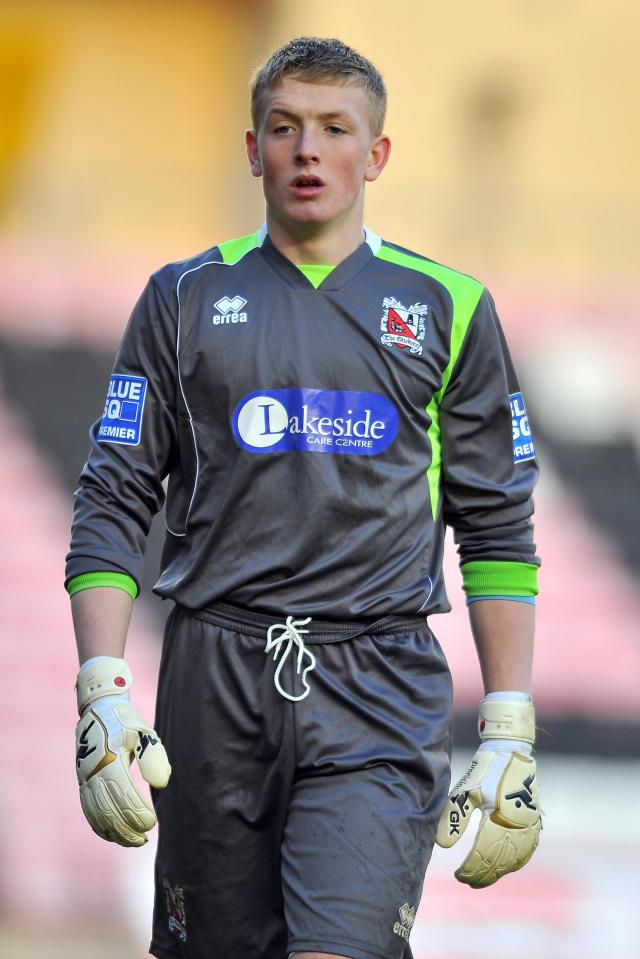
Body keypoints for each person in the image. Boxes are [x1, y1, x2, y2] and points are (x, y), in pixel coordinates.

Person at [67, 36, 541, 959]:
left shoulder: (450, 307)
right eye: (284, 128)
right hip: (215, 676)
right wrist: (102, 692)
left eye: (334, 129)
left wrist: (510, 725)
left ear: (378, 153)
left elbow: (496, 526)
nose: (308, 150)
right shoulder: (181, 299)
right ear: (252, 148)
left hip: (379, 682)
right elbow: (115, 498)